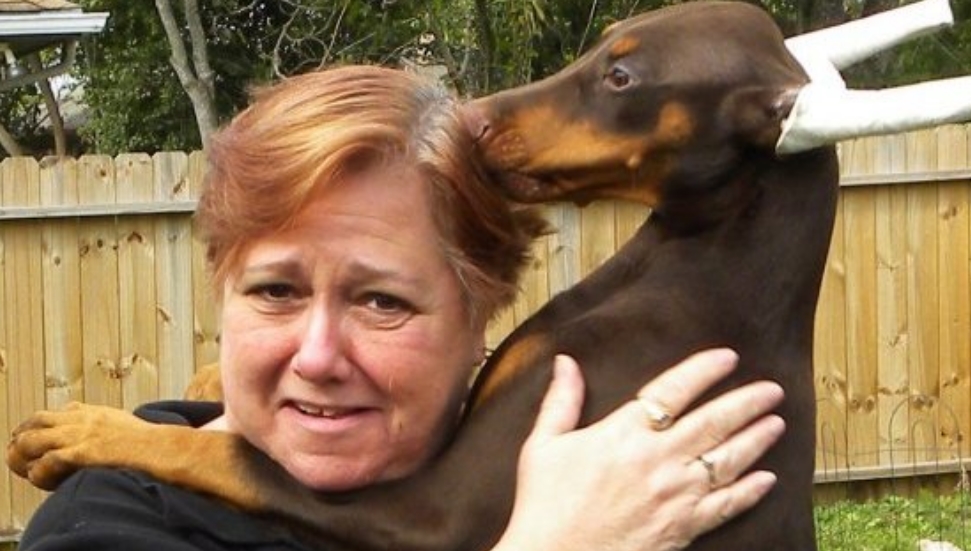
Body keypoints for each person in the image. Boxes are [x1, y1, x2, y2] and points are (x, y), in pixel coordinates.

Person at [14, 65, 786, 551]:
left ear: (480, 319)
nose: (317, 355)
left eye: (382, 300)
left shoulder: (604, 482)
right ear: (220, 294)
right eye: (275, 291)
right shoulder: (113, 523)